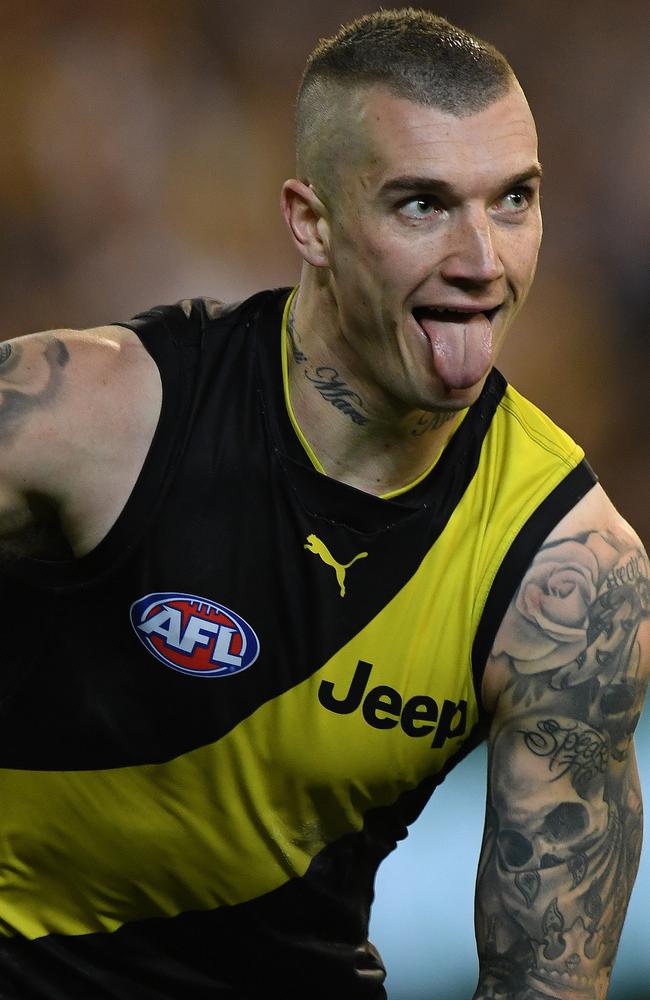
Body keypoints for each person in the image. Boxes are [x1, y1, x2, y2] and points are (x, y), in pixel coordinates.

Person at [0, 8, 647, 999]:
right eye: (421, 205)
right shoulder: (84, 420)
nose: (482, 259)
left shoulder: (566, 577)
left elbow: (544, 983)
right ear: (312, 221)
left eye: (512, 200)